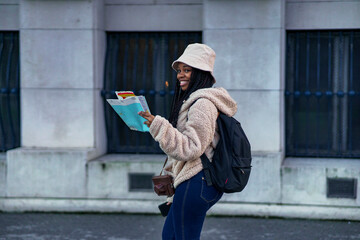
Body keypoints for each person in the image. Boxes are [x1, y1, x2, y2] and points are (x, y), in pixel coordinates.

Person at [138, 43, 237, 240]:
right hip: (190, 183)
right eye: (179, 70)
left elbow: (192, 148)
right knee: (171, 237)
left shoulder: (202, 104)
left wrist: (159, 126)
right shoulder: (193, 101)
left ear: (201, 73)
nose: (180, 75)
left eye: (187, 70)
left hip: (197, 182)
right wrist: (173, 192)